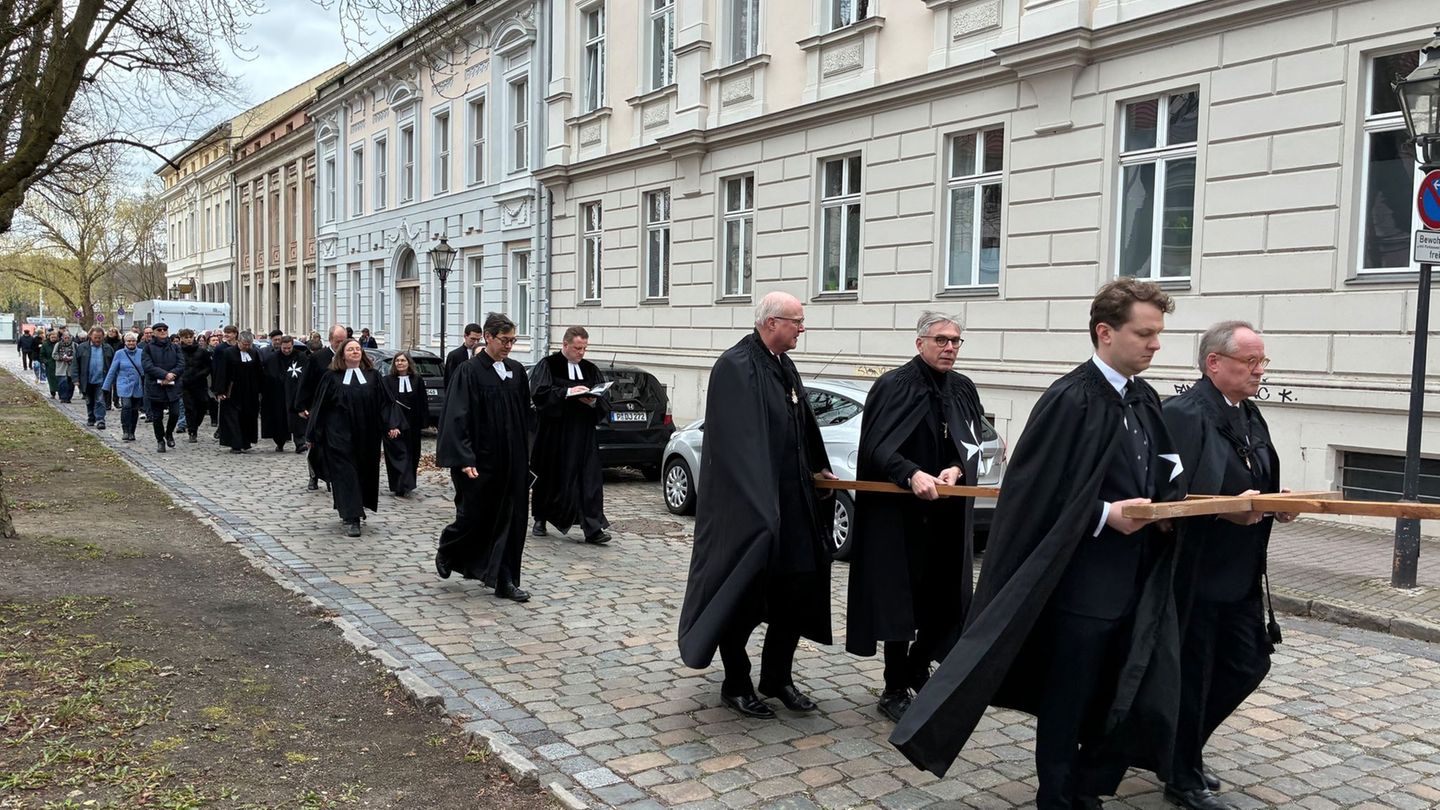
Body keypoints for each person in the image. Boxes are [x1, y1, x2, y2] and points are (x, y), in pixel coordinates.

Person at [890, 279, 1186, 810]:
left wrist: (1168, 507)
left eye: (1158, 334)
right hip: (1079, 585)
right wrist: (1103, 515)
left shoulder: (1143, 398)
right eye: (1145, 333)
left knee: (1112, 687)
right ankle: (1055, 791)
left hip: (1133, 577)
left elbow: (1163, 467)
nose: (1155, 345)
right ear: (1105, 333)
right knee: (1068, 693)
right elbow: (1034, 493)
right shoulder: (1069, 399)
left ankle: (1084, 783)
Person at [677, 292, 837, 720]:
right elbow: (737, 447)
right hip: (749, 510)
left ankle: (777, 677)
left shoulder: (784, 365)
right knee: (743, 594)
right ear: (771, 323)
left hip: (793, 503)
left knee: (797, 588)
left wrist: (819, 470)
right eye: (797, 321)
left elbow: (801, 426)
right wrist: (761, 512)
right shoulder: (736, 366)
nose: (803, 328)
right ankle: (737, 682)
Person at [1160, 322, 1295, 810]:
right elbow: (1164, 494)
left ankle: (1182, 749)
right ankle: (1181, 772)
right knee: (1193, 674)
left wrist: (1278, 502)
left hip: (1240, 573)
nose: (1260, 371)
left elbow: (1257, 476)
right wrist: (1226, 506)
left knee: (1247, 663)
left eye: (1263, 362)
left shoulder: (1249, 413)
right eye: (1251, 362)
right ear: (1214, 362)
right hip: (1194, 573)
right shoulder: (1181, 413)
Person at [846, 311, 987, 724]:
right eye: (941, 339)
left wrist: (955, 469)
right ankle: (893, 685)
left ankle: (919, 667)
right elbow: (876, 447)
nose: (949, 348)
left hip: (946, 513)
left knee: (943, 595)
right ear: (919, 342)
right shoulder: (894, 385)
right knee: (899, 597)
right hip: (900, 516)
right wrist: (911, 473)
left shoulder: (963, 388)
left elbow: (969, 442)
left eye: (955, 341)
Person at [434, 313, 535, 601]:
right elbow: (456, 417)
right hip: (480, 461)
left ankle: (505, 580)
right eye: (504, 340)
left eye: (513, 341)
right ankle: (449, 548)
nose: (509, 346)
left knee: (512, 520)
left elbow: (525, 418)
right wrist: (465, 458)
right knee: (474, 517)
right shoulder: (469, 372)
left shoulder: (516, 372)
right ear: (488, 337)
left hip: (512, 461)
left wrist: (528, 454)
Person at [530, 326, 612, 545]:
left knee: (589, 479)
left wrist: (593, 400)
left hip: (583, 433)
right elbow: (539, 394)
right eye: (577, 348)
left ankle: (592, 527)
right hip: (555, 433)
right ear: (565, 345)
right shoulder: (548, 365)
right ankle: (541, 518)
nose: (581, 353)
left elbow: (604, 400)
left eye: (584, 348)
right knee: (550, 476)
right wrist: (567, 392)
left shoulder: (590, 369)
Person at [306, 339, 385, 537]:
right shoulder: (331, 377)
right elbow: (320, 406)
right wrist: (313, 433)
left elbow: (384, 404)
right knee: (345, 474)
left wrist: (391, 425)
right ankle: (352, 518)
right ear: (342, 354)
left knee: (362, 472)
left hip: (366, 435)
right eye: (351, 349)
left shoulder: (373, 376)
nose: (355, 352)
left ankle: (356, 507)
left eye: (358, 349)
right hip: (339, 435)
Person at [297, 325, 349, 489]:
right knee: (315, 444)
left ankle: (334, 475)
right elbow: (305, 382)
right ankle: (313, 476)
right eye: (337, 341)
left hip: (341, 410)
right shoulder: (318, 358)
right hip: (317, 408)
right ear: (330, 340)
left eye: (343, 341)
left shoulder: (351, 358)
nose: (340, 345)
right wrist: (301, 405)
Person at [381, 351, 428, 497]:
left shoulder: (417, 380)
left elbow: (422, 402)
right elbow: (385, 404)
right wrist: (390, 425)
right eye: (397, 361)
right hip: (395, 423)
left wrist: (424, 422)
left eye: (403, 361)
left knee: (412, 453)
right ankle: (399, 485)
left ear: (409, 363)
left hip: (412, 422)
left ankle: (408, 482)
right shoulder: (387, 380)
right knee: (398, 455)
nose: (400, 363)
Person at [212, 330, 263, 453]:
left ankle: (246, 442)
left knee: (248, 417)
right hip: (232, 391)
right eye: (244, 344)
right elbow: (222, 372)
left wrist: (260, 388)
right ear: (238, 341)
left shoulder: (254, 353)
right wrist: (220, 391)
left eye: (248, 344)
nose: (246, 347)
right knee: (232, 418)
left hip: (249, 391)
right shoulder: (228, 353)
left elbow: (258, 372)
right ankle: (235, 443)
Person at [140, 323, 185, 453]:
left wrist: (172, 375)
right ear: (154, 332)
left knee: (175, 413)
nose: (162, 331)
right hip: (156, 386)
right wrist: (164, 375)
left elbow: (181, 364)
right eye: (159, 330)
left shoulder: (175, 347)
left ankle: (169, 433)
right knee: (157, 417)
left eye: (165, 329)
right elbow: (147, 366)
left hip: (173, 385)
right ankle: (160, 440)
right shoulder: (148, 348)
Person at [261, 336, 309, 452]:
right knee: (279, 419)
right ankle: (280, 442)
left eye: (289, 348)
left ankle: (300, 443)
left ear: (292, 345)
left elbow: (306, 373)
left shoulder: (301, 357)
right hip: (279, 395)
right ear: (280, 346)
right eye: (284, 348)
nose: (287, 350)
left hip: (297, 394)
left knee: (298, 419)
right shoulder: (273, 358)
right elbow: (269, 376)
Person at [103, 332, 147, 441]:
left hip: (137, 385)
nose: (131, 343)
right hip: (124, 384)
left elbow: (147, 368)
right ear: (125, 342)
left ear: (136, 342)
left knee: (134, 409)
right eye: (128, 341)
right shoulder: (119, 353)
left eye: (133, 341)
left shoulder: (142, 353)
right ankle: (125, 430)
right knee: (126, 406)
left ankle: (132, 431)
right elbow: (112, 370)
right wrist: (106, 386)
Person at [74, 327, 114, 429]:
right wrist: (75, 379)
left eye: (100, 338)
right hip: (87, 379)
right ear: (90, 336)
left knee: (100, 400)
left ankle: (100, 419)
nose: (97, 340)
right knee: (89, 400)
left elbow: (113, 365)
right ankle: (91, 417)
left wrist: (113, 379)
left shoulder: (108, 348)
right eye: (95, 337)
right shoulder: (82, 348)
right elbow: (75, 364)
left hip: (102, 379)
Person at [176, 329, 212, 443]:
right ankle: (192, 431)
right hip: (185, 385)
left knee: (202, 406)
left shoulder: (202, 351)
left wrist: (200, 375)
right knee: (189, 408)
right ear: (181, 338)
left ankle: (195, 426)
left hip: (200, 384)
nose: (188, 339)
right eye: (185, 337)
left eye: (190, 337)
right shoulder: (178, 351)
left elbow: (208, 367)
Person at [443, 322, 483, 387]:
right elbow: (449, 380)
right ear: (465, 336)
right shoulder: (454, 355)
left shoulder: (483, 354)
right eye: (473, 339)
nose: (476, 342)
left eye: (478, 339)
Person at [53, 330, 77, 403]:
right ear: (62, 337)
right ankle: (63, 397)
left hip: (71, 367)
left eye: (68, 337)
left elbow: (77, 355)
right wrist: (61, 358)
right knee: (62, 383)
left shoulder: (74, 345)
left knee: (70, 384)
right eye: (65, 337)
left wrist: (71, 358)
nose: (67, 339)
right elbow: (54, 355)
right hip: (61, 367)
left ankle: (68, 398)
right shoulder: (58, 345)